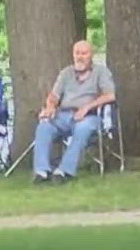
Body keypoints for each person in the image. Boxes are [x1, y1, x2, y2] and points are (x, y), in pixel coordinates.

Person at [32, 39, 116, 183]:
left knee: (83, 128)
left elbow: (110, 95)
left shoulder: (101, 72)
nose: (80, 57)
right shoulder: (66, 73)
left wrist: (86, 107)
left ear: (91, 55)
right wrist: (50, 107)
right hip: (64, 114)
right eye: (77, 53)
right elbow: (54, 95)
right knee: (44, 126)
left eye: (84, 53)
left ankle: (64, 171)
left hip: (90, 116)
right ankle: (42, 171)